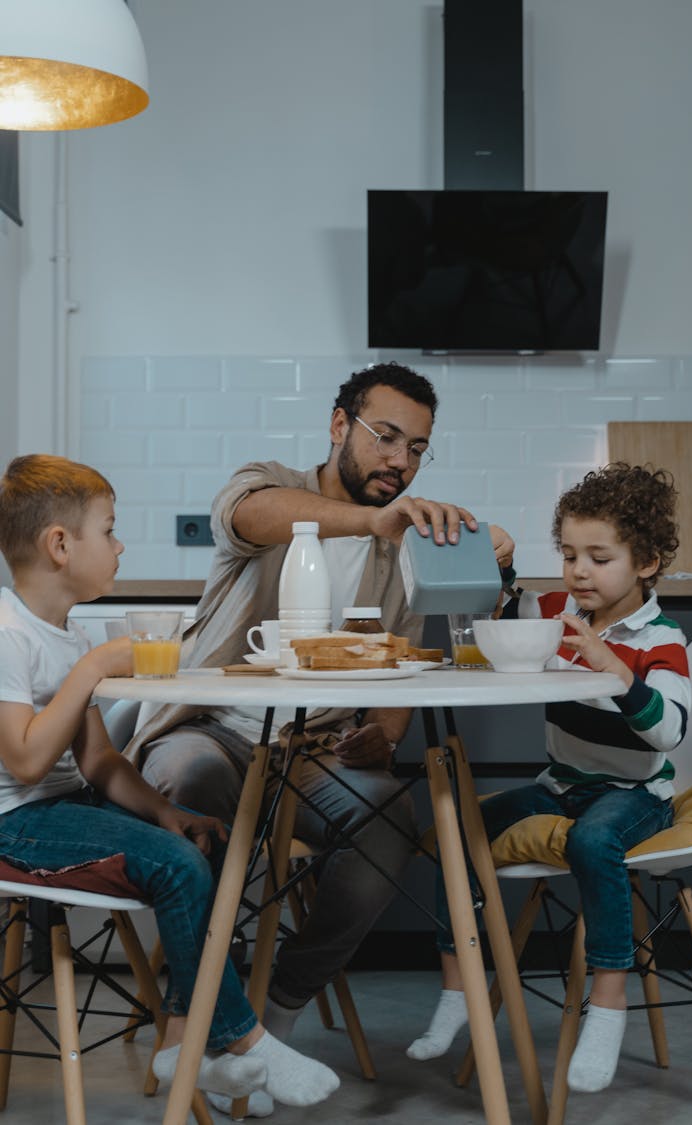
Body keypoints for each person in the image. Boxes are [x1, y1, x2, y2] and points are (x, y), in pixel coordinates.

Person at [123, 361, 514, 1118]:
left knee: (392, 819)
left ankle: (275, 1012)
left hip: (309, 758)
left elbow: (396, 692)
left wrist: (381, 733)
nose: (400, 461)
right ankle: (209, 1021)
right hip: (212, 732)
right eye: (386, 437)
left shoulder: (402, 551)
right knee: (191, 776)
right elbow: (251, 515)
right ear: (341, 427)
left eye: (418, 448)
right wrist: (372, 522)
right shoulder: (268, 484)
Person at [0, 454, 340, 1111]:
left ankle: (185, 1042)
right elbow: (23, 762)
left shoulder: (68, 635)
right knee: (179, 869)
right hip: (17, 823)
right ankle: (240, 1039)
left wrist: (164, 812)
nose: (120, 544)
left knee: (202, 841)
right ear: (60, 545)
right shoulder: (9, 636)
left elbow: (97, 761)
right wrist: (95, 666)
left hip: (62, 805)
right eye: (110, 530)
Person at [408, 462, 691, 1095]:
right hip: (562, 783)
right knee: (452, 831)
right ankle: (458, 992)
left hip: (636, 794)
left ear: (645, 561)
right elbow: (502, 610)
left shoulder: (660, 639)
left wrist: (613, 668)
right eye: (567, 554)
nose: (579, 571)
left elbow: (669, 731)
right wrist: (500, 562)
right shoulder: (559, 608)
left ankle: (608, 1005)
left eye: (598, 556)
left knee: (594, 842)